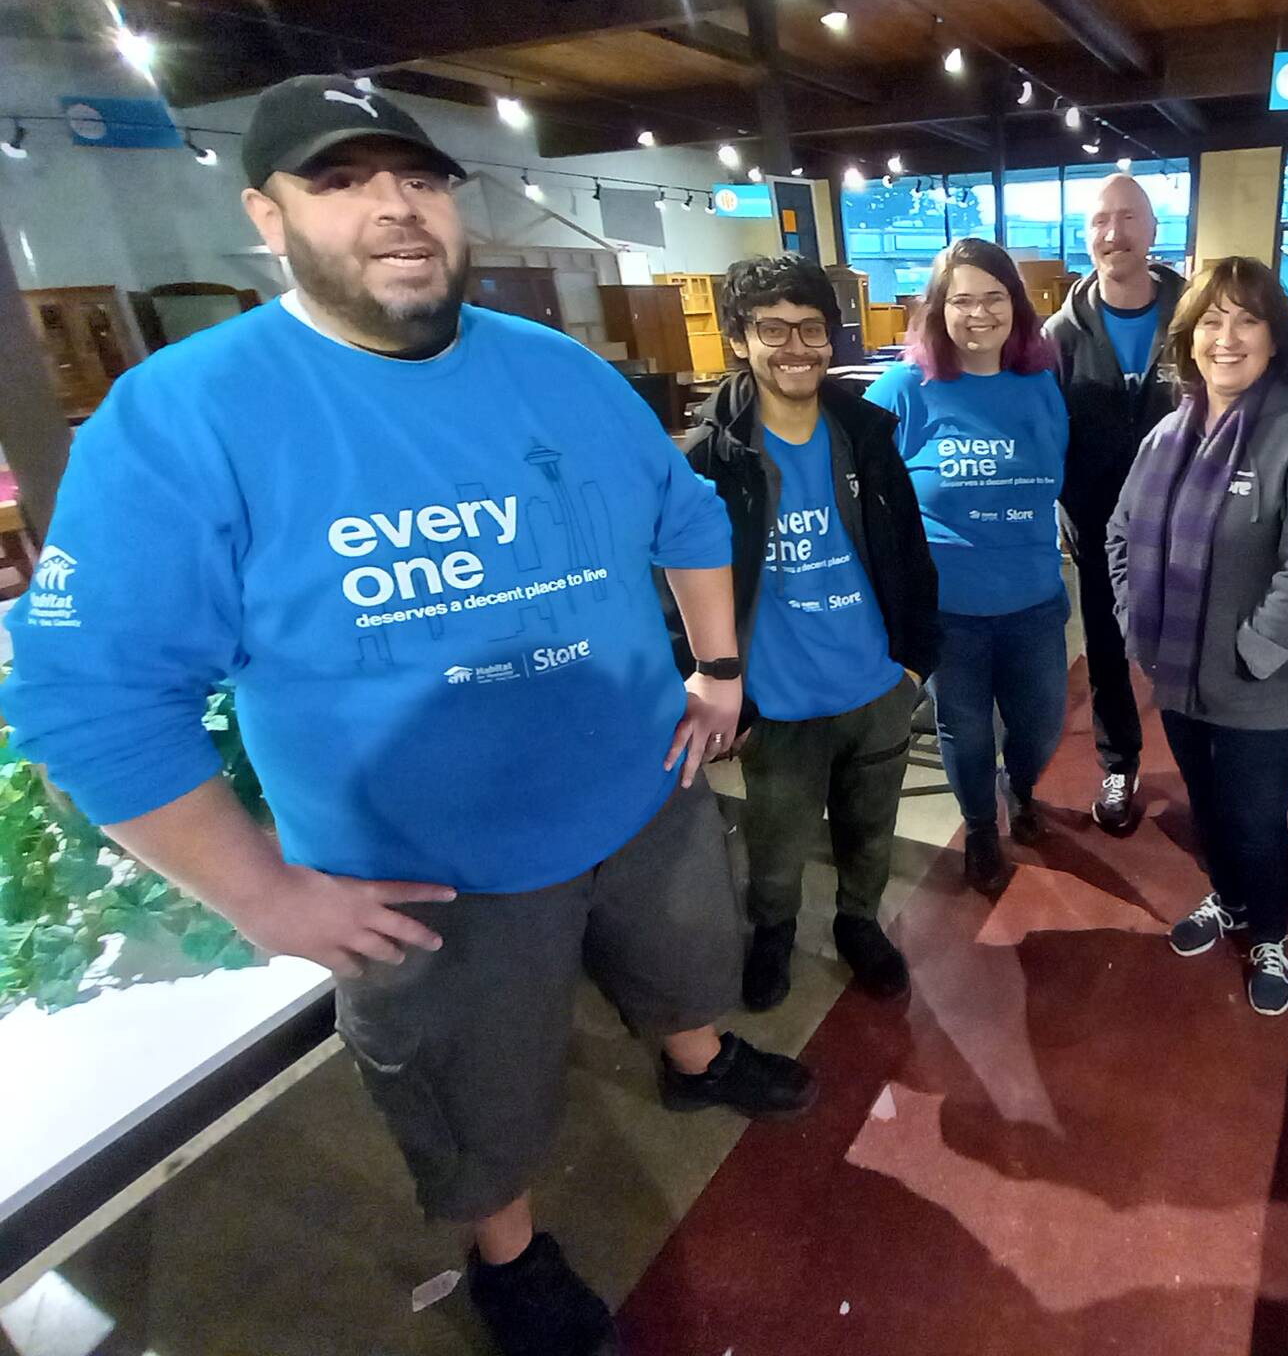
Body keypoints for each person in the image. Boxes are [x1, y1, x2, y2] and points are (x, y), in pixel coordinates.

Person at [0, 76, 815, 1356]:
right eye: (341, 181)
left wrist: (717, 669)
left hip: (639, 790)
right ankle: (509, 1255)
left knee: (684, 966)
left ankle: (699, 1060)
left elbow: (688, 514)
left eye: (421, 177)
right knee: (475, 1098)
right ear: (266, 217)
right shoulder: (184, 417)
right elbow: (87, 699)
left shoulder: (561, 371)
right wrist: (261, 896)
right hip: (426, 880)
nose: (395, 207)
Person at [1108, 257, 1288, 1017]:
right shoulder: (1170, 431)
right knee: (1209, 808)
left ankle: (1271, 935)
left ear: (1275, 336)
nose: (1227, 337)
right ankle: (1226, 897)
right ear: (1189, 337)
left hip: (1267, 687)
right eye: (1212, 320)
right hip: (1180, 674)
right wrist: (1135, 622)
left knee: (1254, 817)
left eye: (1247, 319)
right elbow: (1121, 530)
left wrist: (1249, 653)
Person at [680, 254, 939, 1014]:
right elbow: (672, 585)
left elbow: (910, 554)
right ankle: (773, 935)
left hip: (875, 688)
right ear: (739, 340)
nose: (795, 346)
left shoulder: (864, 435)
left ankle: (859, 923)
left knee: (871, 833)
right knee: (776, 850)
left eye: (811, 328)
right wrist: (717, 685)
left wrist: (914, 668)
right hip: (777, 703)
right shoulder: (711, 458)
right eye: (772, 329)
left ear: (832, 338)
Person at [865, 238, 1068, 891]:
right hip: (949, 610)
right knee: (966, 731)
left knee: (1039, 724)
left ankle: (1024, 787)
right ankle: (981, 825)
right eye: (961, 300)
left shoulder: (1040, 385)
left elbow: (1057, 477)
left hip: (1035, 599)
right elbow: (859, 483)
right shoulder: (904, 390)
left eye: (992, 297)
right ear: (938, 310)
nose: (978, 314)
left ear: (1016, 304)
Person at [1044, 174, 1185, 836]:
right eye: (1100, 221)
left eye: (1128, 218)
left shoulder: (1196, 320)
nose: (1113, 233)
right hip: (1099, 529)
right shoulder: (1057, 339)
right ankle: (1119, 763)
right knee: (1105, 651)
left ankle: (1204, 765)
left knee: (1190, 649)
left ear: (1153, 230)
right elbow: (1042, 433)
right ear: (1086, 236)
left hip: (1190, 529)